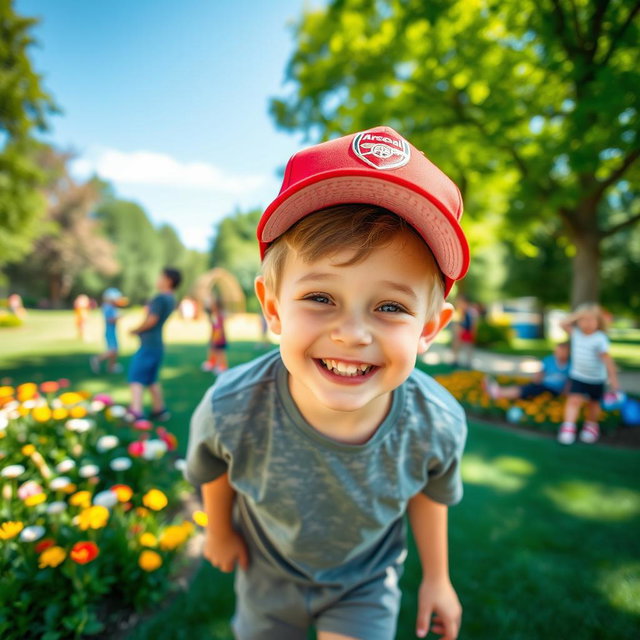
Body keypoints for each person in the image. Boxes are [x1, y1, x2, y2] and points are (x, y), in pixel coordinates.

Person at [185, 126, 470, 640]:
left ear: (429, 329)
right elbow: (211, 466)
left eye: (390, 307)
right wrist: (219, 529)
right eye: (320, 297)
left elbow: (430, 490)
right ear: (273, 309)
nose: (352, 333)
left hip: (365, 581)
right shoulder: (231, 406)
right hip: (266, 577)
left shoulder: (436, 422)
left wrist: (438, 578)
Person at [557, 303, 619, 445]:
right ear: (578, 321)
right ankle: (568, 426)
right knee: (573, 400)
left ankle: (591, 426)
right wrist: (579, 314)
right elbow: (562, 323)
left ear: (599, 322)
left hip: (596, 378)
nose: (587, 323)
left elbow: (607, 359)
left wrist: (613, 379)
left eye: (592, 320)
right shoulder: (576, 333)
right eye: (584, 320)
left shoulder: (600, 338)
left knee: (593, 404)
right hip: (578, 376)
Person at [127, 267, 182, 422]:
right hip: (158, 344)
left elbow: (152, 320)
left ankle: (136, 412)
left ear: (168, 280)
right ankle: (159, 410)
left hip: (149, 344)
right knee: (151, 379)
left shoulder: (159, 299)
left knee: (135, 376)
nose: (157, 280)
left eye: (160, 277)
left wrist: (135, 330)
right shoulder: (171, 299)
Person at [484, 341, 570, 401]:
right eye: (558, 351)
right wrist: (537, 378)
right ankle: (500, 391)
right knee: (527, 388)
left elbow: (568, 382)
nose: (559, 353)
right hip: (543, 386)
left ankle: (499, 392)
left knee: (527, 389)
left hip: (553, 390)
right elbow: (538, 376)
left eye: (562, 351)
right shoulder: (548, 360)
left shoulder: (570, 364)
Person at [90, 288, 124, 374]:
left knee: (115, 351)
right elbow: (110, 320)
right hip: (110, 332)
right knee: (112, 350)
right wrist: (118, 317)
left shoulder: (110, 307)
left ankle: (111, 367)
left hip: (112, 331)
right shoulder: (108, 308)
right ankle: (97, 359)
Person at [201, 296, 228, 374]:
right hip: (216, 337)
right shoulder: (216, 315)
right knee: (213, 351)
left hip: (218, 338)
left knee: (219, 353)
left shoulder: (218, 315)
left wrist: (215, 339)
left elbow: (218, 329)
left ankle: (221, 367)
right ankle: (213, 364)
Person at [450, 294, 477, 368]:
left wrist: (473, 332)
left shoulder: (471, 311)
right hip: (460, 331)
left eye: (460, 302)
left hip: (467, 331)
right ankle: (455, 360)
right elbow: (456, 322)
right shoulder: (459, 312)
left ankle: (468, 362)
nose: (458, 304)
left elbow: (473, 324)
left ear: (466, 303)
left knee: (468, 347)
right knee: (456, 345)